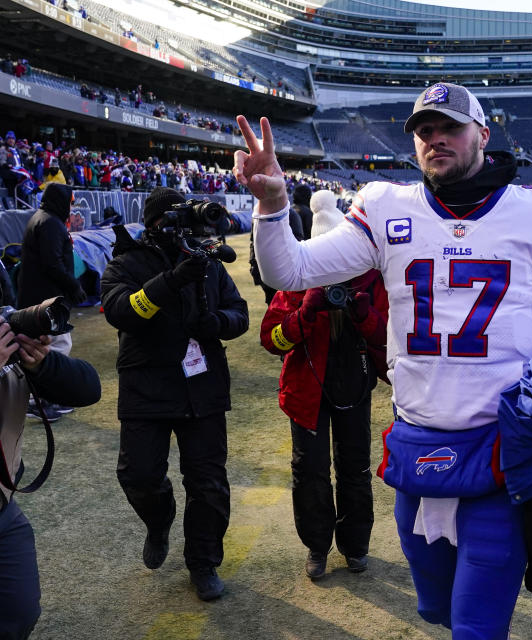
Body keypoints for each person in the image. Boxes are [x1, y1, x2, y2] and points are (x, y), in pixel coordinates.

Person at [234, 81, 532, 639]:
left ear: (482, 134)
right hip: (417, 450)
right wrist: (271, 204)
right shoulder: (387, 206)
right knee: (435, 609)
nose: (435, 139)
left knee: (475, 626)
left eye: (450, 128)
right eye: (424, 131)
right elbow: (288, 271)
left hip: (499, 449)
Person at [100, 187, 249, 601]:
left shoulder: (208, 262)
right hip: (146, 387)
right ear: (155, 224)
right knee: (140, 476)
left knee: (208, 484)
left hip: (202, 389)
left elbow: (240, 315)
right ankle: (159, 519)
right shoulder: (125, 262)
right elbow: (121, 311)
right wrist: (171, 281)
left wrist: (216, 323)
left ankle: (203, 564)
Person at [259, 226, 388, 579]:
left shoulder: (372, 279)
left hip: (354, 387)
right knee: (310, 472)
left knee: (355, 468)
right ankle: (317, 545)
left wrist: (365, 315)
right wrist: (304, 312)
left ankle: (356, 545)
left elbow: (391, 339)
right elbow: (271, 339)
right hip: (306, 391)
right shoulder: (300, 280)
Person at [0, 316, 100, 639]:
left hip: (2, 509)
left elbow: (88, 388)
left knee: (20, 611)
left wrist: (41, 364)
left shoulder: (7, 343)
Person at [17, 183, 87, 383]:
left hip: (37, 298)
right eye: (69, 203)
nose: (71, 208)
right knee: (56, 348)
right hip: (46, 300)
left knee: (38, 348)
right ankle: (51, 398)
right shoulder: (50, 223)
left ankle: (39, 397)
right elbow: (52, 264)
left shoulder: (42, 218)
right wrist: (73, 285)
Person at [249, 186, 304, 305]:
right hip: (266, 272)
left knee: (285, 308)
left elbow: (298, 241)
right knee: (273, 306)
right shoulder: (259, 216)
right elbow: (253, 243)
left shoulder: (292, 215)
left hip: (285, 271)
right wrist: (254, 265)